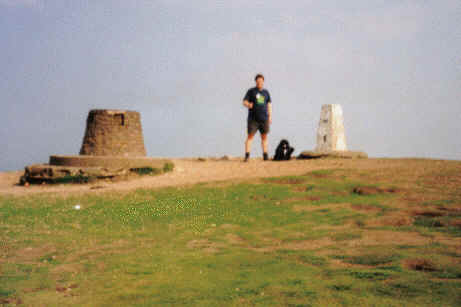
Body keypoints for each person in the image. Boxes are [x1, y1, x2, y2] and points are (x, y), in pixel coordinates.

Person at [242, 73, 272, 162]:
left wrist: (270, 116)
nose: (259, 82)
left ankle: (265, 155)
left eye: (261, 81)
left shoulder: (266, 92)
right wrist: (248, 104)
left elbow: (269, 104)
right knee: (250, 137)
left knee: (264, 137)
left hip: (264, 119)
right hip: (253, 119)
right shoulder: (251, 91)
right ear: (256, 81)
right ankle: (247, 156)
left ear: (263, 82)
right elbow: (244, 101)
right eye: (258, 81)